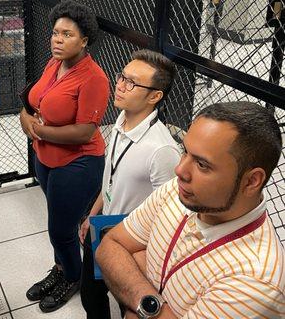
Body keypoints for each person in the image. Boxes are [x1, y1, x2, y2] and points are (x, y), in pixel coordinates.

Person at [96, 101, 284, 319]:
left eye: (202, 165)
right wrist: (150, 305)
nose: (179, 170)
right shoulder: (178, 193)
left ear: (251, 181)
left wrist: (135, 270)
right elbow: (110, 245)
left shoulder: (256, 282)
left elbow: (121, 254)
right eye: (185, 151)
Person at [19, 0, 110, 312]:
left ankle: (72, 276)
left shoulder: (94, 78)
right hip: (46, 159)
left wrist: (39, 130)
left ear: (83, 41)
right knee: (62, 223)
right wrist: (26, 118)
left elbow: (85, 131)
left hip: (78, 163)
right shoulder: (53, 64)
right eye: (56, 33)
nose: (57, 39)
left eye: (67, 35)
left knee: (60, 229)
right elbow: (33, 101)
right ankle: (61, 268)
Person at [79, 50, 181, 319]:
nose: (120, 85)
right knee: (91, 295)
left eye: (131, 82)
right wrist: (93, 215)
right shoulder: (121, 121)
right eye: (121, 77)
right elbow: (109, 178)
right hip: (102, 227)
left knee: (128, 305)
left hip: (131, 246)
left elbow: (168, 217)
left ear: (155, 96)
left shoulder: (163, 150)